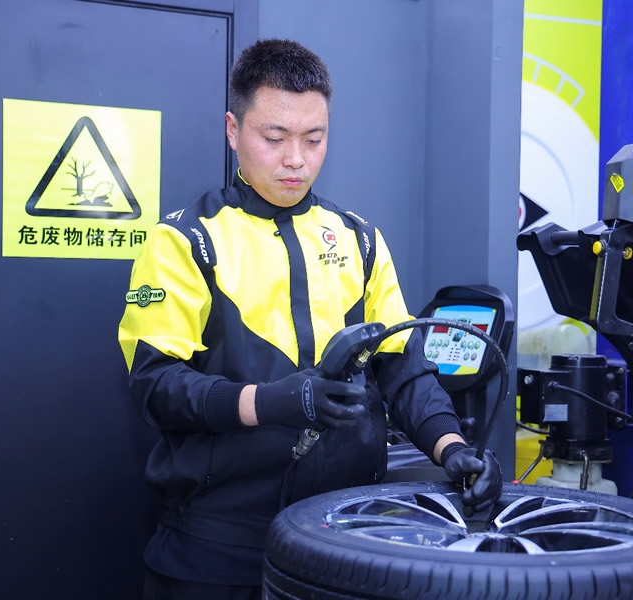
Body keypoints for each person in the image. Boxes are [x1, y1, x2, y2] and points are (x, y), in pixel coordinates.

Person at [118, 38, 502, 599]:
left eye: (314, 139)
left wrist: (452, 448)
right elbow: (155, 386)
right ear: (233, 130)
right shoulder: (185, 241)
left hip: (345, 535)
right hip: (218, 546)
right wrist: (268, 402)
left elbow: (403, 369)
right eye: (274, 138)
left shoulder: (360, 240)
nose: (295, 158)